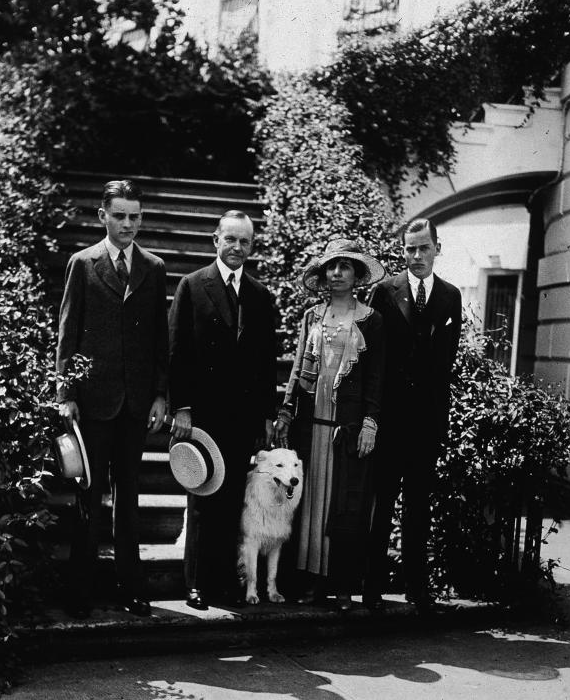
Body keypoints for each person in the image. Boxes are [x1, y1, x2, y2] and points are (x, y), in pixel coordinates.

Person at [55, 179, 169, 618]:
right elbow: (67, 333)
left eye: (134, 216)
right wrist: (66, 392)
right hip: (93, 400)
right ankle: (80, 591)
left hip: (136, 403)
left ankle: (132, 587)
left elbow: (160, 337)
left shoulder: (154, 267)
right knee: (90, 494)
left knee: (130, 496)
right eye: (119, 215)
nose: (127, 224)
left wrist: (160, 394)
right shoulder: (82, 264)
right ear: (103, 216)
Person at [168, 210, 278, 610]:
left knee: (232, 500)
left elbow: (268, 362)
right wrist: (181, 407)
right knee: (201, 500)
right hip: (203, 415)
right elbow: (177, 352)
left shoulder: (260, 296)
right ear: (216, 240)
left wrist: (266, 414)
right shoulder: (192, 286)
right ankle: (195, 584)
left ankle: (222, 582)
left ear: (252, 246)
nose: (236, 248)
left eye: (244, 241)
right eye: (229, 239)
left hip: (242, 416)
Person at [273, 238, 386, 612]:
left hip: (346, 431)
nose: (337, 273)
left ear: (356, 275)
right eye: (331, 267)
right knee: (309, 505)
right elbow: (296, 371)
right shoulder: (311, 317)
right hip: (312, 425)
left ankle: (341, 586)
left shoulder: (371, 320)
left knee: (345, 507)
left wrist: (369, 422)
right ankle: (308, 583)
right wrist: (287, 411)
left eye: (345, 267)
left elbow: (375, 378)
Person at [364, 218, 462, 612]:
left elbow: (446, 362)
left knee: (419, 507)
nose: (417, 256)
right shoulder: (384, 292)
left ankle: (417, 588)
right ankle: (371, 587)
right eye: (410, 249)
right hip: (389, 421)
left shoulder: (450, 296)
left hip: (426, 422)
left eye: (424, 248)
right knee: (381, 505)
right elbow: (372, 358)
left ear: (438, 247)